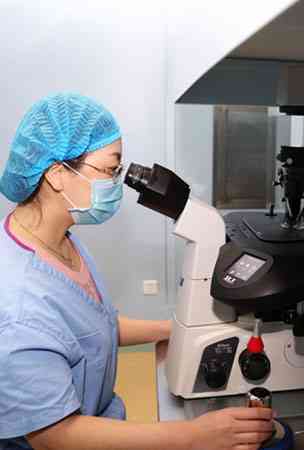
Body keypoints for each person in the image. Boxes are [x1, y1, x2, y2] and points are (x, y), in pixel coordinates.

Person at [0, 93, 273, 450]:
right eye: (110, 170)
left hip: (103, 420)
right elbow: (55, 436)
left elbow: (92, 327)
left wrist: (176, 330)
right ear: (57, 175)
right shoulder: (17, 305)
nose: (117, 182)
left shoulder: (59, 240)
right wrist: (196, 436)